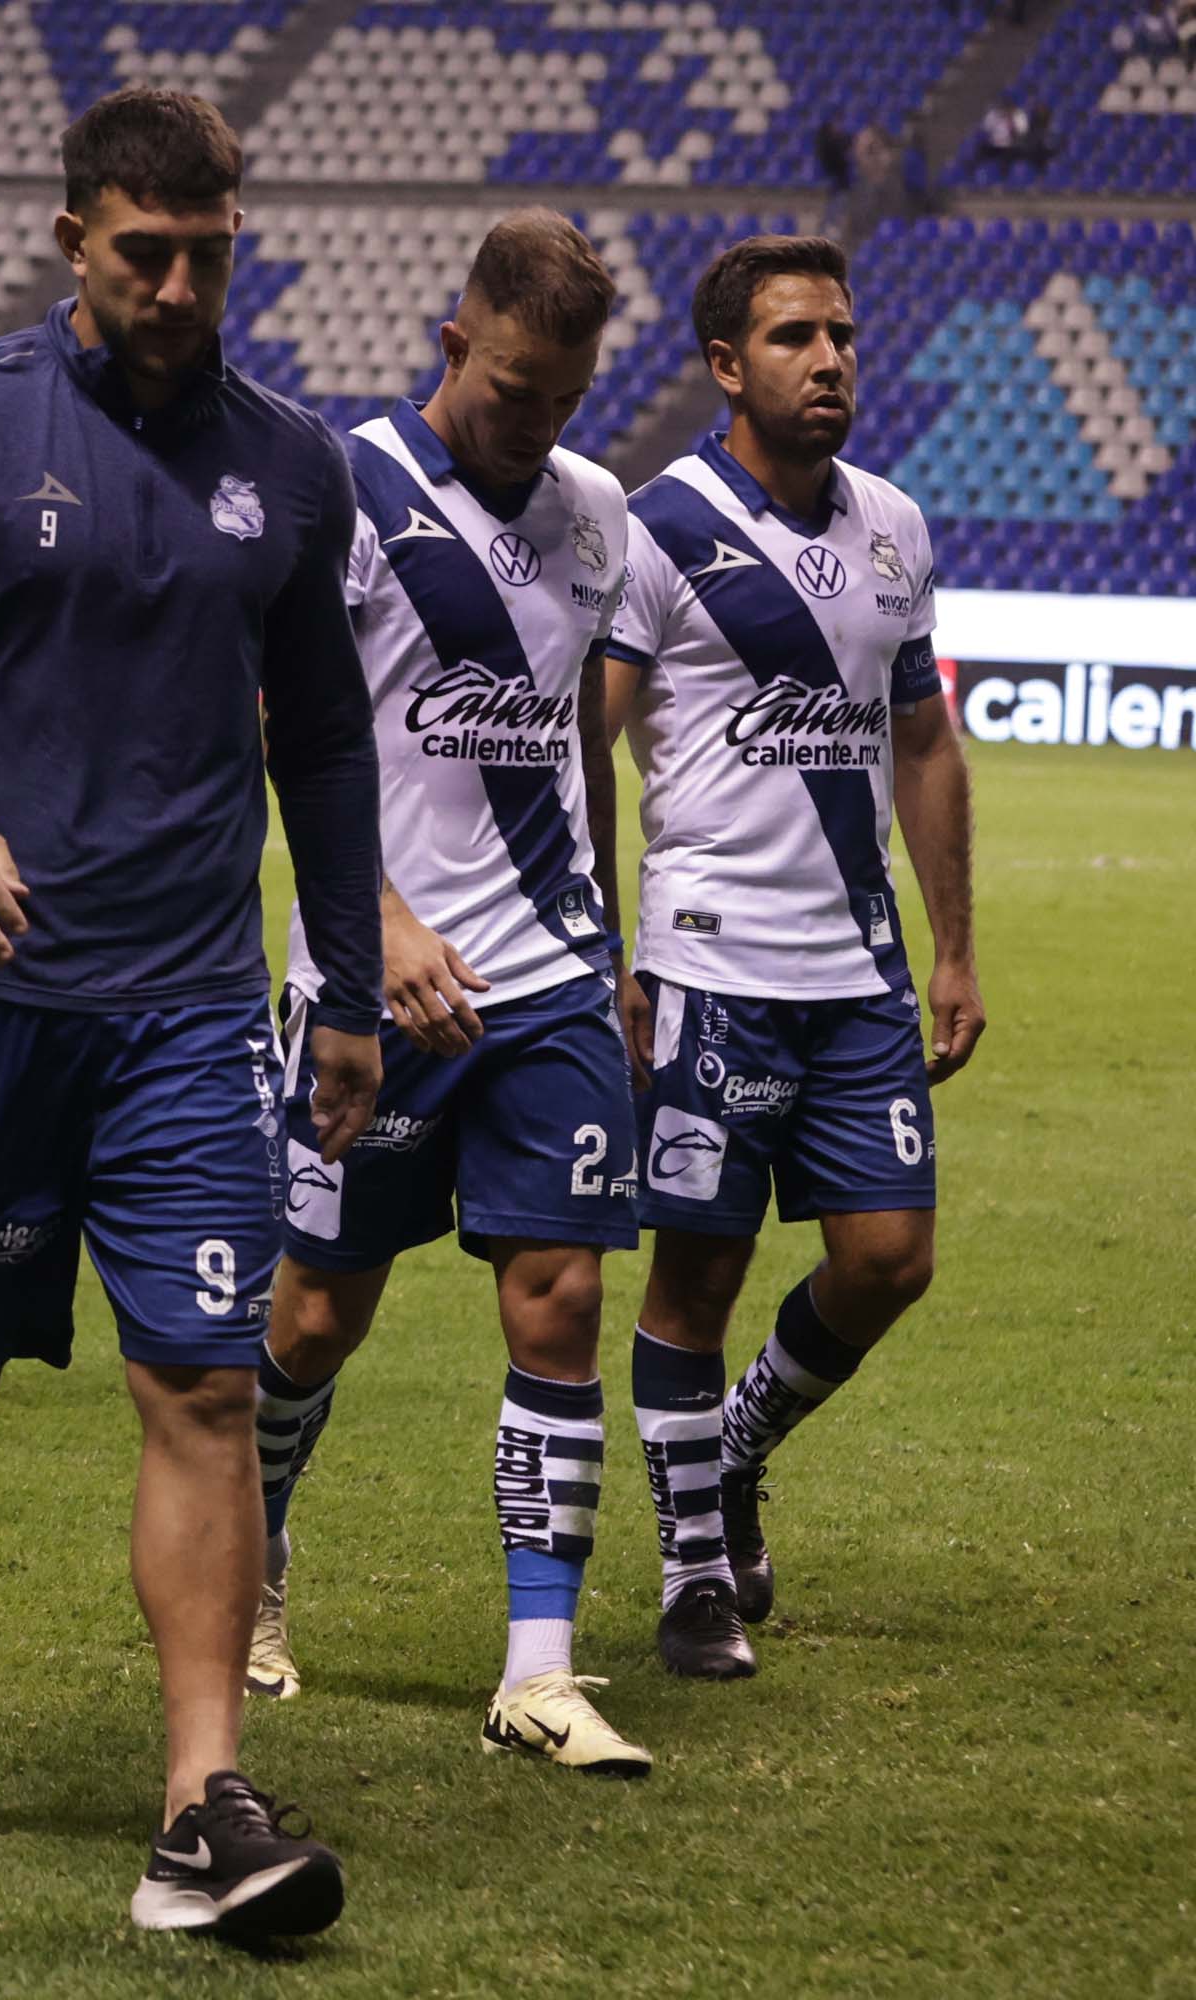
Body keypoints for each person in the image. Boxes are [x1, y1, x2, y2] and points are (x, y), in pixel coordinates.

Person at [0, 86, 376, 1937]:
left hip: (193, 1014)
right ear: (73, 241)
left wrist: (346, 981)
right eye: (147, 251)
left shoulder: (294, 462)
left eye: (211, 251)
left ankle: (202, 1800)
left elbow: (334, 742)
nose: (182, 283)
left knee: (206, 1383)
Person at [241, 210, 674, 1769]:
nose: (536, 419)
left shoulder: (597, 511)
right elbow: (279, 737)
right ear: (451, 344)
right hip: (371, 983)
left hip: (546, 979)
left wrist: (614, 946)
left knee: (562, 1298)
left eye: (563, 395)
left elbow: (577, 747)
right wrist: (379, 923)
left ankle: (538, 1672)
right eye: (510, 386)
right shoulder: (340, 487)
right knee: (313, 1316)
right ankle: (259, 1566)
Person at [606, 234, 982, 1655]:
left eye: (841, 335)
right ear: (724, 366)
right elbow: (587, 737)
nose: (828, 361)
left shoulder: (894, 525)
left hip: (860, 972)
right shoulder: (653, 529)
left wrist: (951, 947)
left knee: (890, 1258)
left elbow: (924, 740)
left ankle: (740, 1442)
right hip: (709, 969)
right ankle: (694, 1569)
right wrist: (604, 948)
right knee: (694, 1274)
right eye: (791, 339)